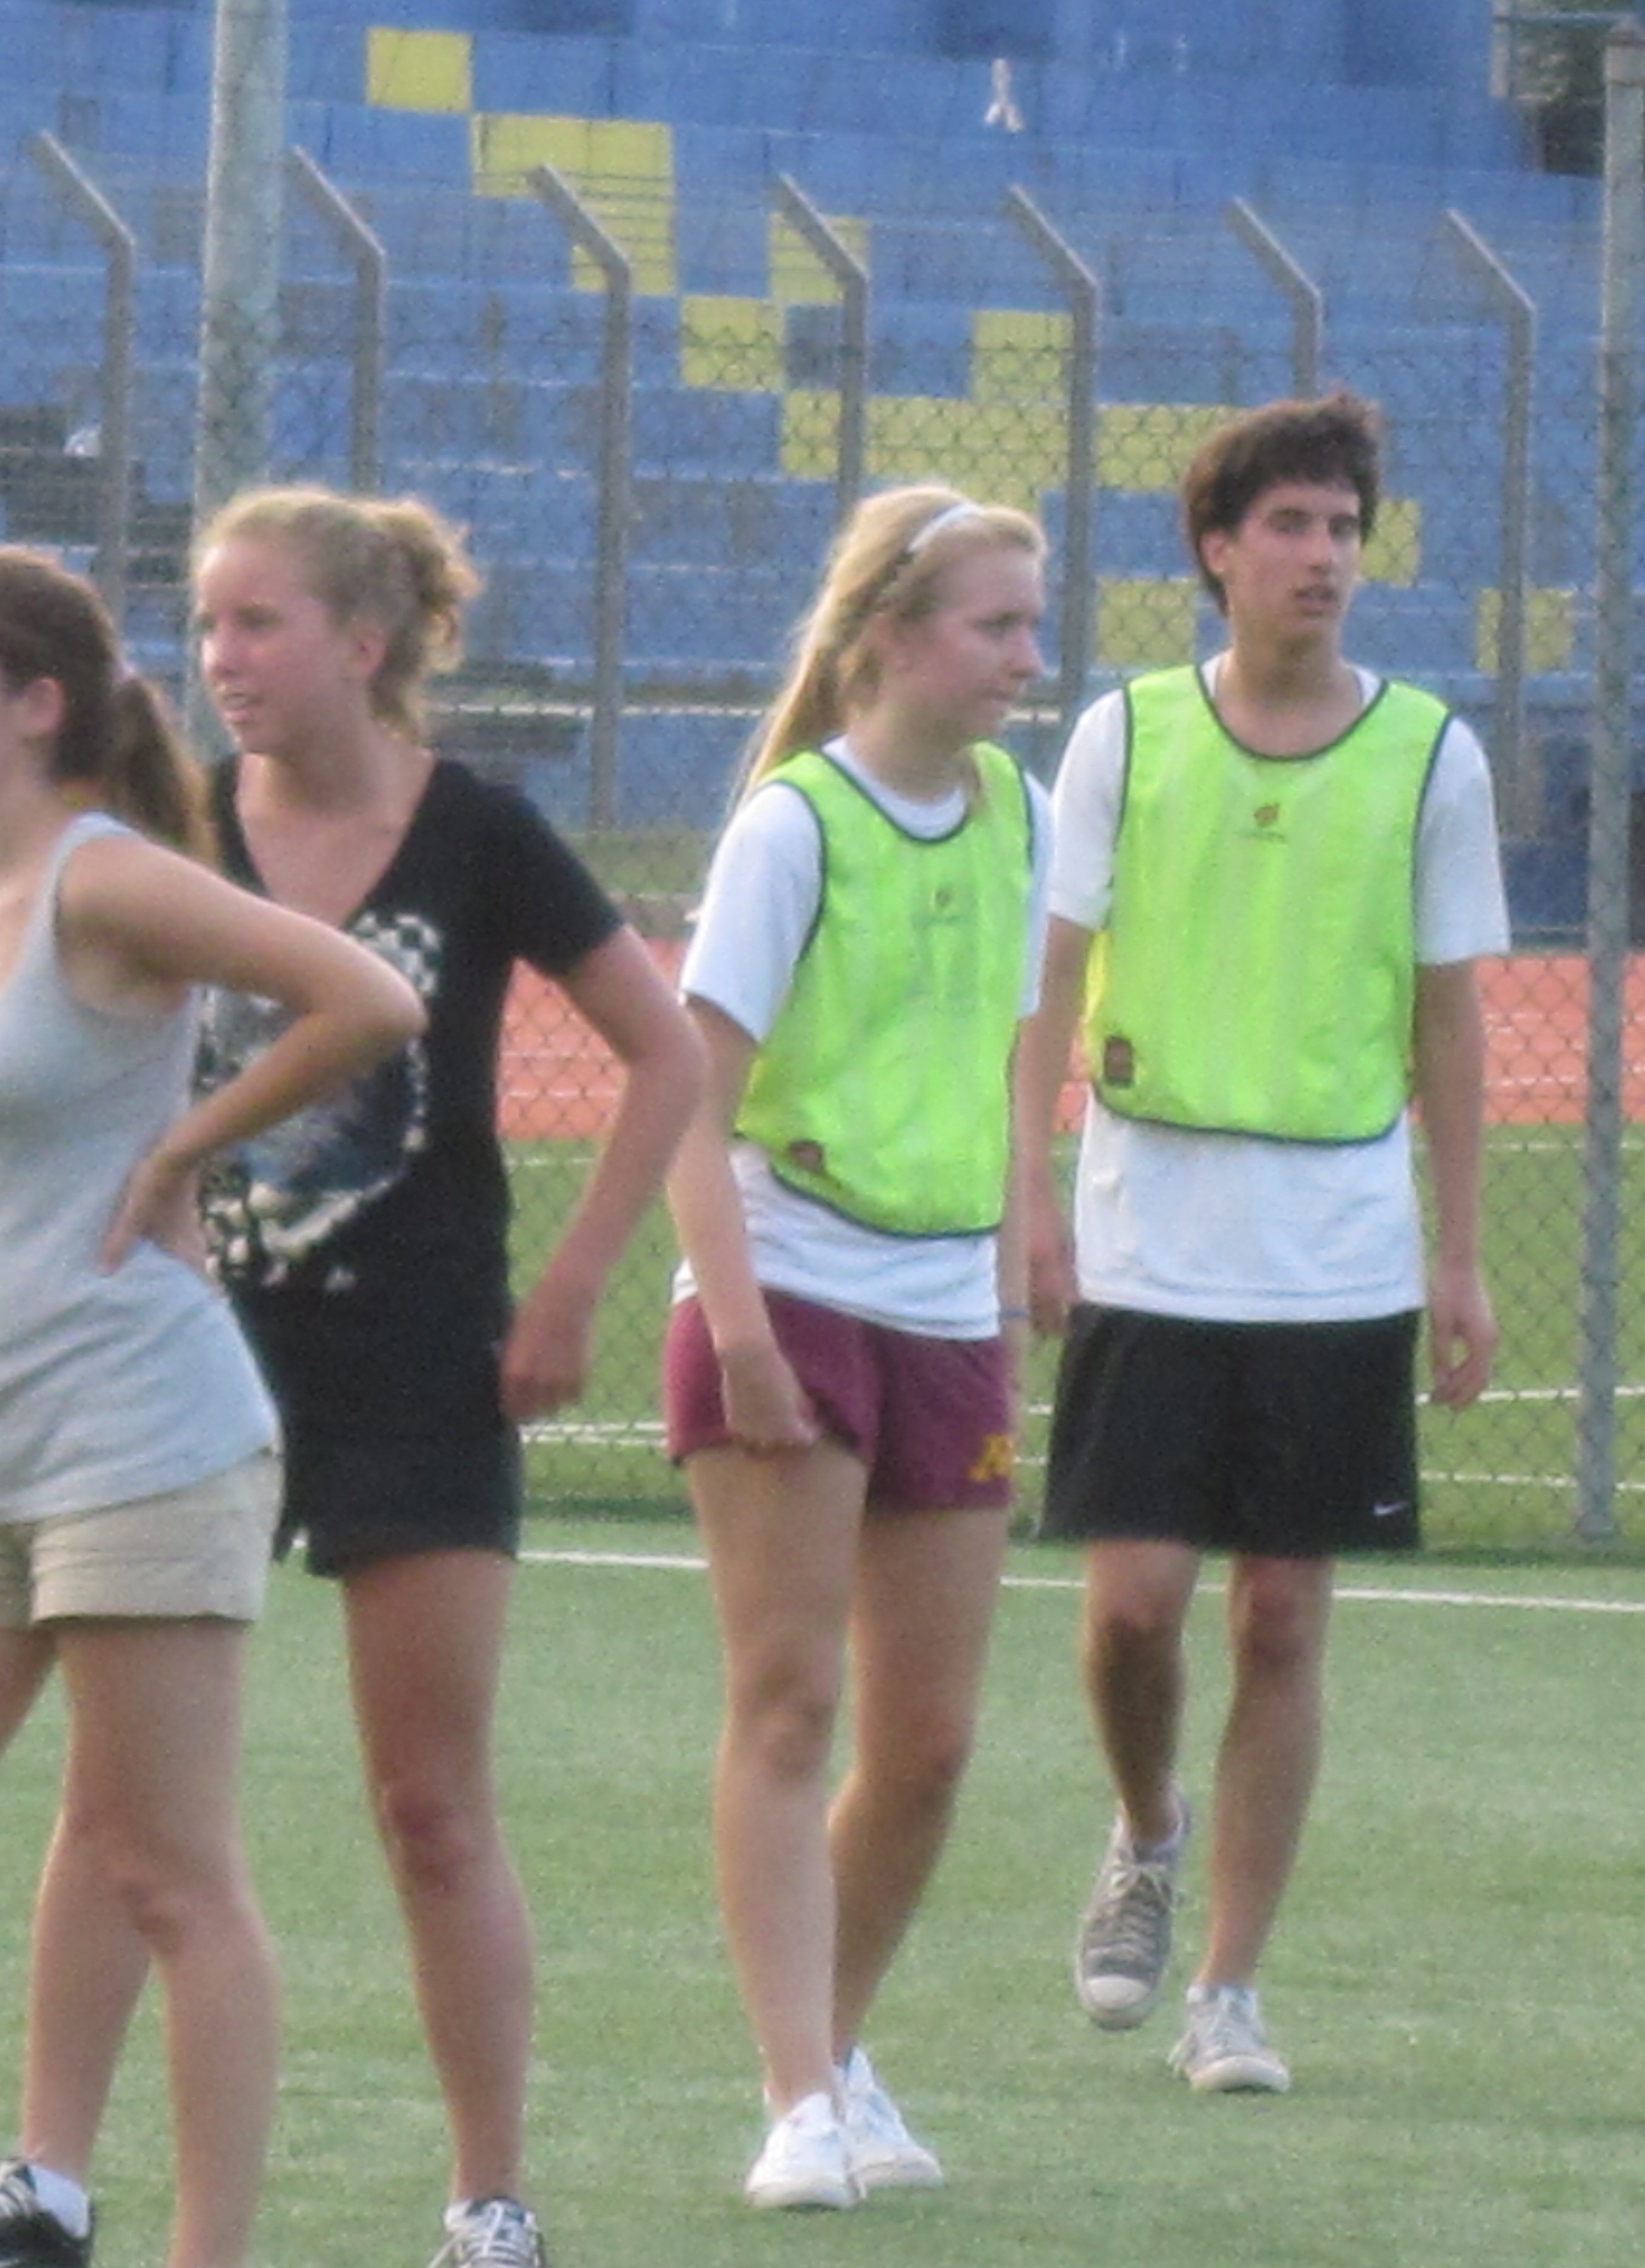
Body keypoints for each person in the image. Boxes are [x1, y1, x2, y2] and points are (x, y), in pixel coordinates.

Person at [0, 487, 702, 2268]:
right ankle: (48, 2177)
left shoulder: (481, 834)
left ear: (363, 644)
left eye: (256, 623)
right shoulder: (167, 834)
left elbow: (662, 1056)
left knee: (429, 1806)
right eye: (204, 625)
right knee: (120, 1801)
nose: (220, 659)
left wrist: (571, 1287)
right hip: (180, 1361)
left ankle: (489, 2202)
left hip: (421, 1367)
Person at [0, 546, 423, 2268]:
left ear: (36, 707)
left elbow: (371, 998)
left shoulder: (111, 883)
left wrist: (183, 1151)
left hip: (144, 1439)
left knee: (166, 1874)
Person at [1013, 391, 1507, 2096]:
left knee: (1282, 1619)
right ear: (1215, 551)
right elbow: (1048, 978)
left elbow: (1449, 1018)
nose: (1323, 557)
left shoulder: (1430, 756)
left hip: (1337, 1248)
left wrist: (1458, 1253)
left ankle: (1227, 1989)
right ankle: (1145, 1827)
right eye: (1289, 525)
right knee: (1133, 1610)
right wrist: (1027, 1193)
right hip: (1147, 1233)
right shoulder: (1125, 735)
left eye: (1343, 528)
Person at [661, 485, 1053, 2210]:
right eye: (994, 625)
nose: (1026, 658)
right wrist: (739, 1327)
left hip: (946, 1305)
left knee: (931, 1741)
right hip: (790, 1288)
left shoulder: (1020, 812)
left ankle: (835, 2047)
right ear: (890, 638)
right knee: (788, 1701)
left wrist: (1016, 1272)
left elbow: (1012, 1060)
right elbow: (686, 1105)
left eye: (1029, 624)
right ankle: (795, 2099)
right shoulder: (793, 828)